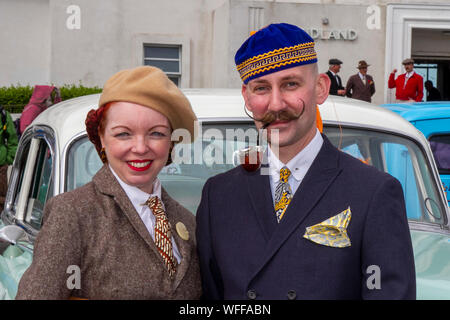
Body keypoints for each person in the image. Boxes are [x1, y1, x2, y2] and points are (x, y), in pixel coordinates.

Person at [196, 23, 416, 300]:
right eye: (261, 88)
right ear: (247, 97)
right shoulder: (219, 196)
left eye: (290, 84)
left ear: (321, 88)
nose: (276, 105)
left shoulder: (374, 192)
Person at [16, 66, 202, 299]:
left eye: (156, 133)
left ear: (171, 142)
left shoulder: (186, 221)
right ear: (102, 138)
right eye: (123, 134)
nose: (141, 147)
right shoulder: (72, 214)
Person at [0, 106, 19, 212]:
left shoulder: (3, 114)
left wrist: (8, 160)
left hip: (1, 167)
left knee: (2, 201)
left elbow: (12, 140)